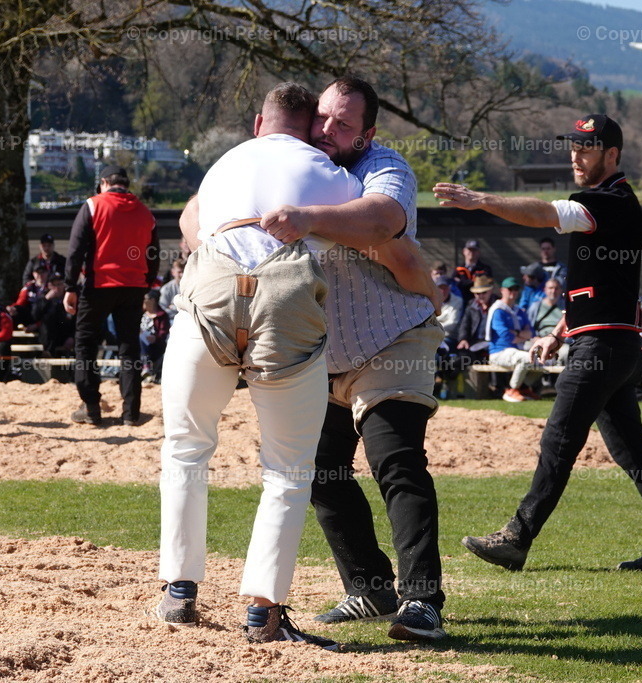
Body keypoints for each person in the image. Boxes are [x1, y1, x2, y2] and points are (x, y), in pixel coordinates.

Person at [434, 113, 642, 573]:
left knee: (559, 438)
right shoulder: (607, 204)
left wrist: (480, 201)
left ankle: (518, 536)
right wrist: (557, 332)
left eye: (587, 148)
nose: (576, 154)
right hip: (608, 345)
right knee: (632, 449)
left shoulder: (613, 201)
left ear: (612, 155)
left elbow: (543, 213)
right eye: (573, 146)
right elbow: (596, 285)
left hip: (603, 350)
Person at [156, 83, 362, 651]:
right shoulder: (335, 173)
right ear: (313, 127)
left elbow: (189, 224)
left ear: (258, 122)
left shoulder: (221, 165)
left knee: (186, 446)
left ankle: (179, 587)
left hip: (211, 291)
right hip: (286, 300)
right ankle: (262, 612)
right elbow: (374, 223)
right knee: (288, 470)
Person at [258, 76, 447, 641]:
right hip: (325, 352)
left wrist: (307, 218)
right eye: (322, 117)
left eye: (343, 124)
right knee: (321, 472)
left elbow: (380, 221)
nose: (327, 130)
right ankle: (369, 588)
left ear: (368, 133)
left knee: (396, 461)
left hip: (394, 338)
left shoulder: (388, 169)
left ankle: (423, 603)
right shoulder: (292, 164)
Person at [63, 164, 160, 427]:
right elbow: (153, 255)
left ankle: (91, 407)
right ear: (126, 184)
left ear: (104, 182)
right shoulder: (145, 212)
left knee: (85, 345)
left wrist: (70, 286)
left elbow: (75, 249)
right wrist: (146, 283)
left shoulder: (94, 205)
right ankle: (131, 412)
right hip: (133, 288)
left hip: (99, 285)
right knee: (129, 349)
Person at [487, 276, 539, 402]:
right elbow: (505, 335)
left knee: (544, 358)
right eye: (510, 289)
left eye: (516, 289)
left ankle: (524, 387)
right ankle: (511, 390)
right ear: (502, 290)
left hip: (517, 349)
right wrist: (522, 334)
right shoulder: (498, 310)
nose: (513, 292)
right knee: (527, 358)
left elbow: (531, 332)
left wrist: (517, 334)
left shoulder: (519, 310)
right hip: (498, 352)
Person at [32, 274, 74, 356]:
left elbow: (76, 319)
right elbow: (35, 315)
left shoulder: (70, 298)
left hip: (66, 333)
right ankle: (48, 352)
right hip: (49, 337)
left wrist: (72, 337)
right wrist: (46, 299)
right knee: (48, 318)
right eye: (54, 285)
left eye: (60, 284)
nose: (57, 288)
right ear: (49, 286)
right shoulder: (43, 297)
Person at [139, 290, 169, 383]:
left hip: (155, 345)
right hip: (140, 343)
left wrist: (155, 338)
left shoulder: (162, 315)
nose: (143, 301)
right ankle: (145, 366)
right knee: (140, 339)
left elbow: (163, 332)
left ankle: (146, 367)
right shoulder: (140, 313)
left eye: (146, 299)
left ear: (153, 300)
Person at [158, 258, 185, 322]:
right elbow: (162, 309)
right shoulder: (166, 289)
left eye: (184, 271)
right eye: (179, 272)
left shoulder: (191, 287)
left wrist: (173, 307)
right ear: (173, 272)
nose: (182, 275)